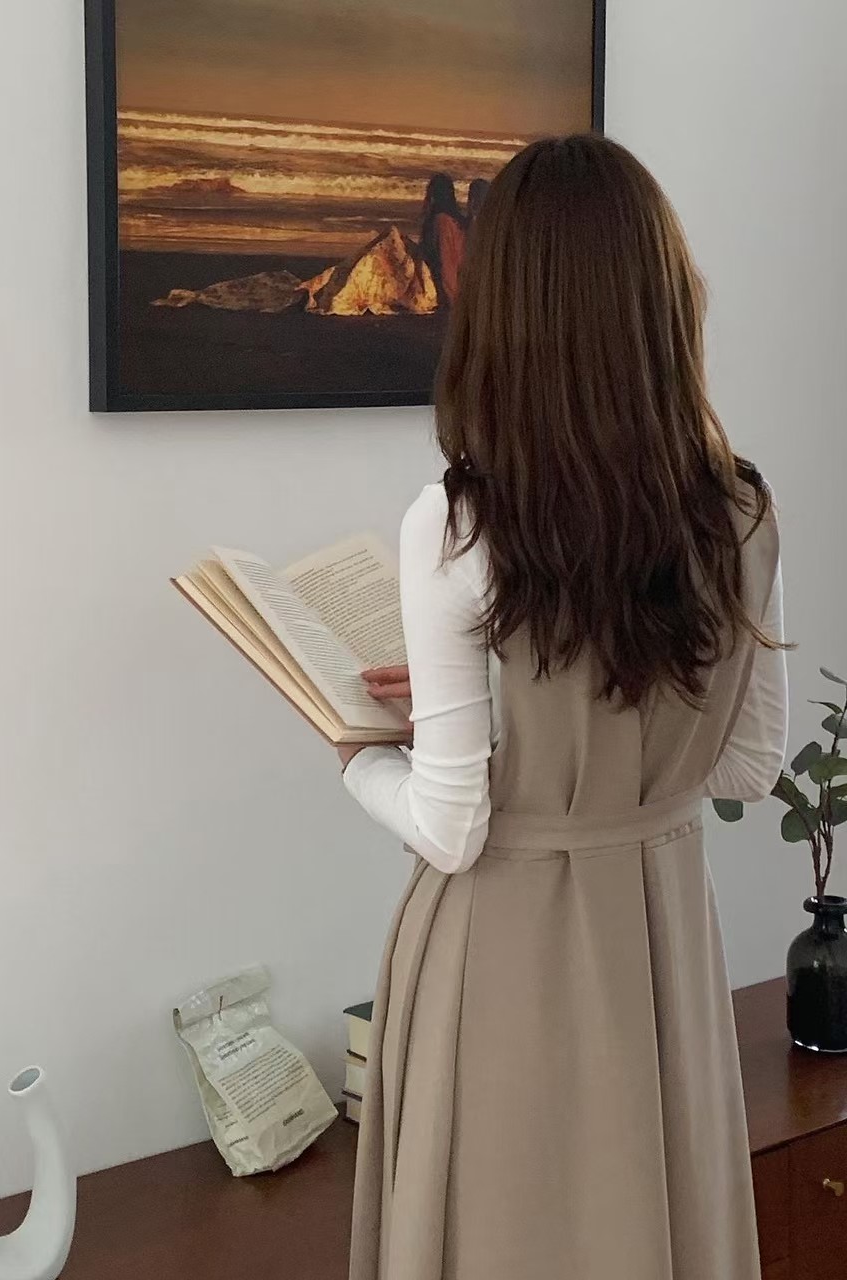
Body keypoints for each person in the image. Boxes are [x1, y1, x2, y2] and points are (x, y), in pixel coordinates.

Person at [339, 135, 787, 1280]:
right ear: (662, 301)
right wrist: (516, 707)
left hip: (505, 960)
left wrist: (354, 754)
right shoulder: (738, 510)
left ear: (502, 311)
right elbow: (746, 765)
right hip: (661, 948)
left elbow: (451, 826)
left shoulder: (458, 523)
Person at [419, 173, 466, 306]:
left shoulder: (442, 221)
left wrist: (452, 298)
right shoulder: (456, 220)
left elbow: (446, 261)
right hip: (457, 281)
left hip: (445, 286)